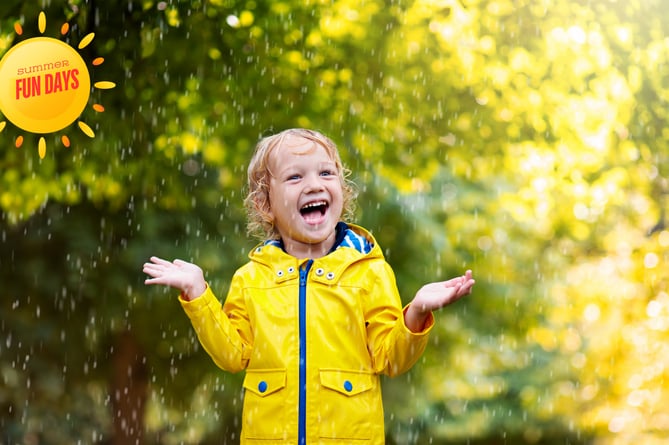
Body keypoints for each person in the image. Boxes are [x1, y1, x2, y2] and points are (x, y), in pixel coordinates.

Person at [143, 128, 475, 444]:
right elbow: (232, 355)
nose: (314, 185)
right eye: (295, 176)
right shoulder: (250, 278)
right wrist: (198, 294)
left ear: (342, 193)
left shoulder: (369, 271)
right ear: (265, 203)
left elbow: (391, 359)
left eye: (326, 174)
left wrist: (416, 312)